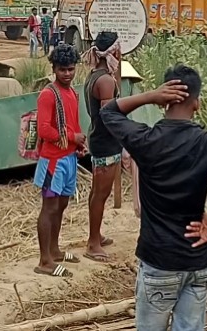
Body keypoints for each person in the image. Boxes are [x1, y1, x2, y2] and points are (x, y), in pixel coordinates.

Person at [100, 65, 207, 331]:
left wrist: (150, 96)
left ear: (164, 102)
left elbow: (108, 112)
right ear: (197, 103)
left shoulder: (145, 140)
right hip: (197, 260)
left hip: (158, 259)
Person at [32, 44, 85, 278]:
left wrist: (78, 144)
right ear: (54, 69)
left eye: (71, 69)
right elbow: (44, 130)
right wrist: (73, 137)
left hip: (68, 158)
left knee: (61, 205)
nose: (67, 73)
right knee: (49, 207)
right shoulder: (48, 94)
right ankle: (44, 260)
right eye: (62, 69)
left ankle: (54, 250)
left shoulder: (72, 92)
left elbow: (72, 123)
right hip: (52, 161)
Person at [83, 32, 122, 262]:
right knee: (100, 193)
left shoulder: (95, 75)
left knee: (97, 192)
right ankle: (93, 243)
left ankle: (95, 236)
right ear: (113, 51)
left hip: (98, 138)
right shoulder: (106, 81)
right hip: (106, 143)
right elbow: (110, 118)